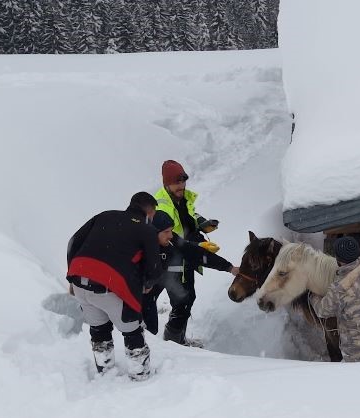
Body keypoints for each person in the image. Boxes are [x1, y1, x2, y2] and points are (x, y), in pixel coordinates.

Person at [67, 191, 163, 380]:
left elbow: (73, 242)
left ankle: (105, 371)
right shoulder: (147, 230)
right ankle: (140, 375)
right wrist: (149, 283)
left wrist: (72, 274)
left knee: (99, 328)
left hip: (80, 281)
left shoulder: (105, 215)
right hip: (109, 286)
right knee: (132, 330)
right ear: (149, 212)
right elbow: (154, 267)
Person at [153, 159, 228, 344]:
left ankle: (177, 339)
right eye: (176, 182)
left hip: (185, 258)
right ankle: (172, 342)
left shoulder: (182, 198)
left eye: (183, 181)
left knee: (187, 298)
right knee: (182, 301)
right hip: (171, 261)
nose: (181, 186)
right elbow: (171, 239)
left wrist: (202, 223)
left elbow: (189, 215)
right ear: (166, 184)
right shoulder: (162, 206)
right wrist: (198, 246)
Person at [143, 211, 240, 340]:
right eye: (166, 232)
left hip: (170, 275)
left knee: (184, 302)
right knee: (147, 318)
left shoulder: (172, 240)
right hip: (146, 282)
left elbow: (195, 253)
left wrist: (229, 267)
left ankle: (173, 341)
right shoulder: (139, 245)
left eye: (171, 231)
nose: (171, 235)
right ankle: (145, 342)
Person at [309, 236, 360, 362]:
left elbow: (322, 310)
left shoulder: (339, 290)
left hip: (356, 353)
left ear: (337, 259)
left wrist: (313, 297)